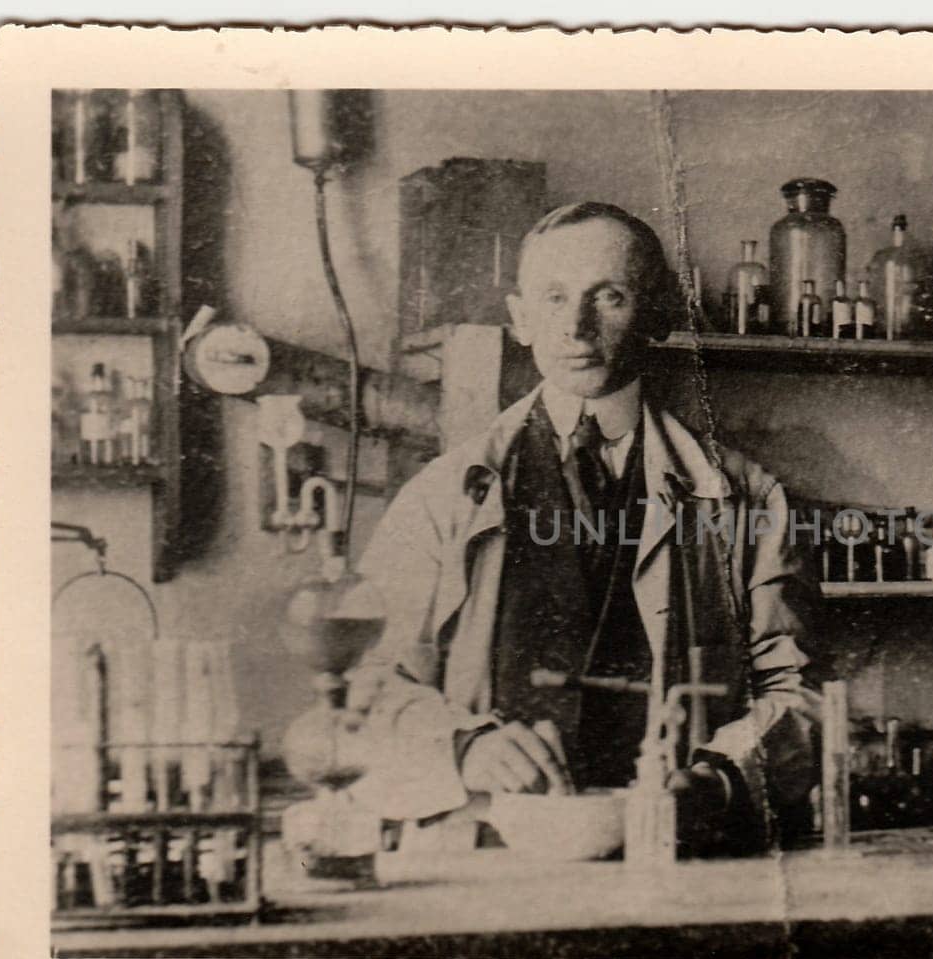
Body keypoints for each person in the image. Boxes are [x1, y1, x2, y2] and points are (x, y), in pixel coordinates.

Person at [344, 202, 818, 854]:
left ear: (653, 314)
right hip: (486, 850)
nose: (576, 326)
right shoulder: (442, 496)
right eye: (555, 297)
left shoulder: (744, 498)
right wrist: (465, 746)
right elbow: (366, 686)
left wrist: (720, 777)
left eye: (610, 297)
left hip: (676, 850)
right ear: (520, 317)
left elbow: (794, 692)